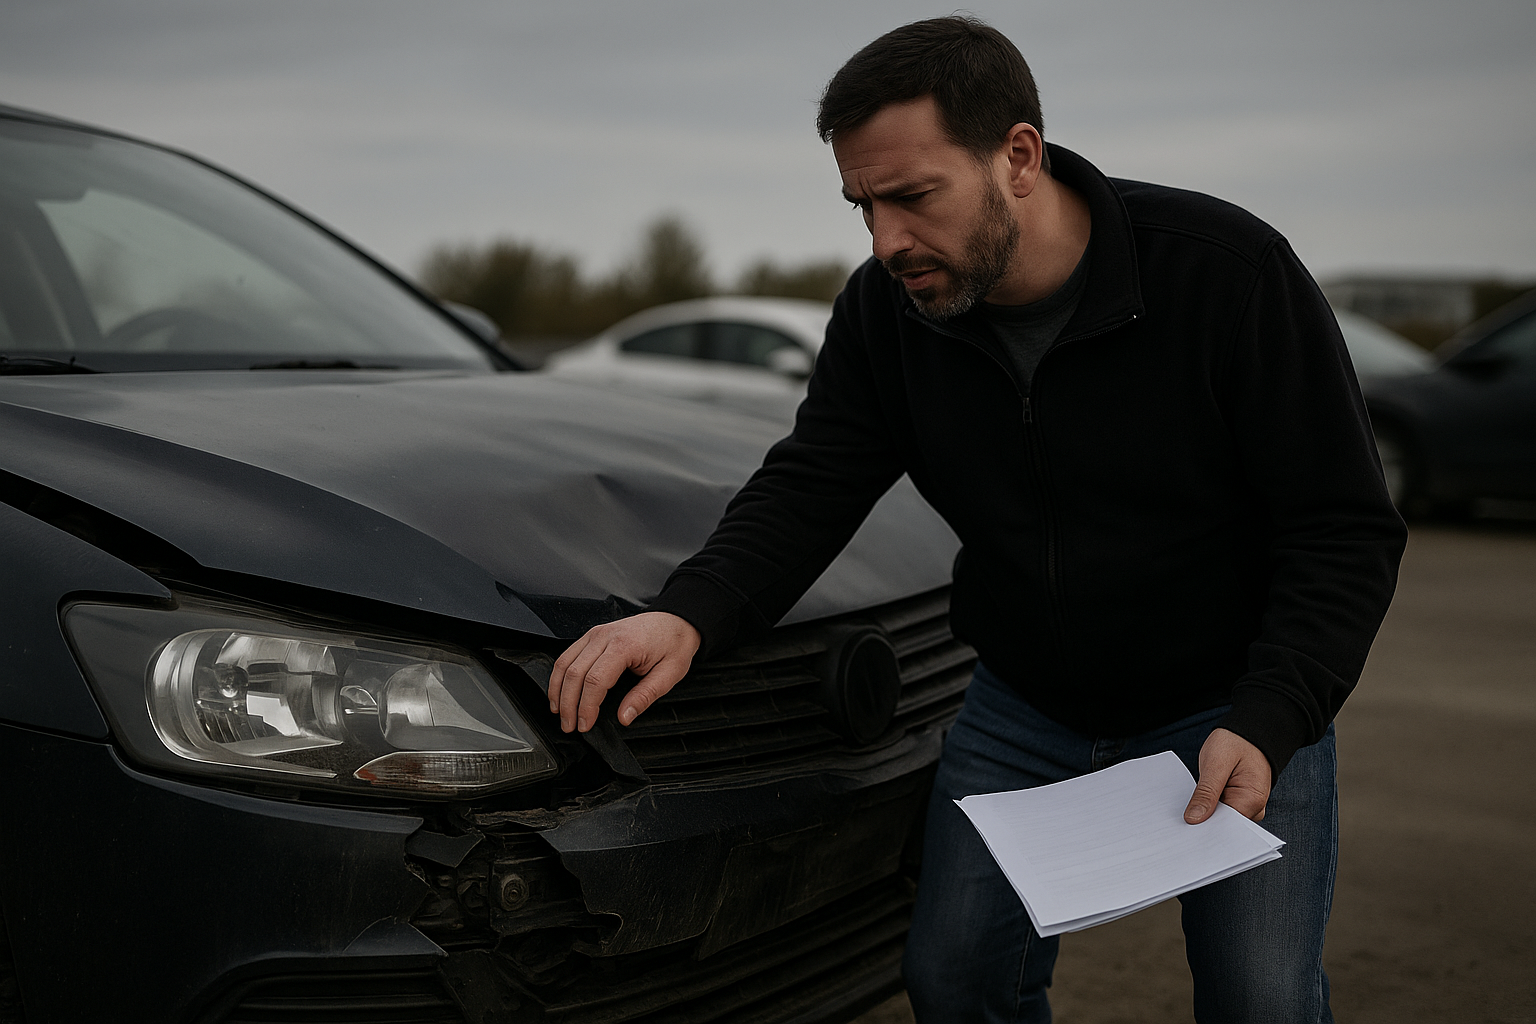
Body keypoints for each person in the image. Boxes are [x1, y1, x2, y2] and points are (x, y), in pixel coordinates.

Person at [548, 16, 1406, 1024]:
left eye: (913, 197)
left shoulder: (1228, 276)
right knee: (953, 980)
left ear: (1019, 157)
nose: (886, 241)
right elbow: (811, 482)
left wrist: (1270, 718)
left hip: (1229, 699)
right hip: (1022, 710)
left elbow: (1343, 529)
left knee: (1260, 999)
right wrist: (687, 614)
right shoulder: (887, 313)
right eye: (862, 205)